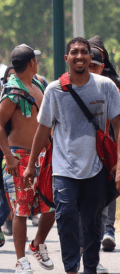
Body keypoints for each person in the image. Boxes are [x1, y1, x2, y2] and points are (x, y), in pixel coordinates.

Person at [23, 37, 120, 274]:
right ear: (66, 58)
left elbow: (118, 125)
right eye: (74, 52)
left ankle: (89, 268)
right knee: (66, 219)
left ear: (90, 57)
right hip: (63, 170)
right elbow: (43, 130)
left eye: (84, 52)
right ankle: (71, 269)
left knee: (92, 224)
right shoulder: (55, 89)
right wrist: (30, 166)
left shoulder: (105, 86)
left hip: (96, 168)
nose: (79, 56)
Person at [0, 44, 55, 273]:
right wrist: (9, 158)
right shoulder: (12, 91)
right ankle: (21, 260)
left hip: (43, 156)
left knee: (50, 205)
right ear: (32, 62)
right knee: (21, 209)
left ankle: (37, 244)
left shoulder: (38, 84)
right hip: (18, 156)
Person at [89, 39, 119, 256]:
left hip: (111, 142)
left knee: (110, 187)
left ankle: (109, 229)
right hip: (87, 146)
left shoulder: (114, 83)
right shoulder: (74, 84)